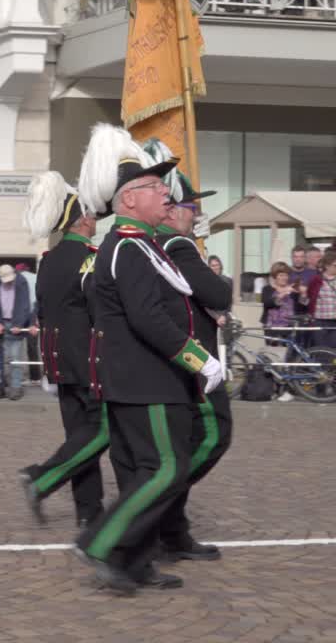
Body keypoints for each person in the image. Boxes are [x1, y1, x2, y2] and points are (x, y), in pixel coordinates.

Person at [72, 123, 224, 593]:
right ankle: (101, 541)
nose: (166, 194)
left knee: (149, 471)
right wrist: (201, 359)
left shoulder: (139, 244)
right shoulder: (129, 247)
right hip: (147, 380)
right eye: (156, 187)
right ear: (129, 199)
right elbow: (149, 317)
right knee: (166, 469)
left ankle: (133, 563)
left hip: (145, 379)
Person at [155, 167, 234, 563]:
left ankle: (173, 528)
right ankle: (157, 513)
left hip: (174, 362)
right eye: (190, 205)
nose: (194, 213)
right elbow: (217, 291)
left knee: (182, 445)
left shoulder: (155, 243)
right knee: (211, 436)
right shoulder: (179, 246)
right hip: (193, 364)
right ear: (171, 211)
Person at [18, 171, 106, 528]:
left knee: (79, 435)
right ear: (83, 218)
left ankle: (89, 511)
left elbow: (43, 309)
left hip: (58, 359)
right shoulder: (91, 258)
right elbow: (99, 311)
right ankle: (43, 477)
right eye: (94, 215)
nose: (97, 220)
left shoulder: (49, 260)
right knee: (99, 431)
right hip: (89, 360)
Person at [0, 264, 35, 399]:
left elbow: (24, 304)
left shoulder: (21, 282)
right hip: (3, 322)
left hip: (16, 323)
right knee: (5, 358)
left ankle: (15, 387)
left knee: (15, 357)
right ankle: (6, 386)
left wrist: (19, 324)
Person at [304, 249, 336, 349]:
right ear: (327, 266)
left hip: (335, 321)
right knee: (321, 349)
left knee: (334, 351)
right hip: (320, 320)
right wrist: (303, 295)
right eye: (335, 265)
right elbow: (308, 299)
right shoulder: (316, 280)